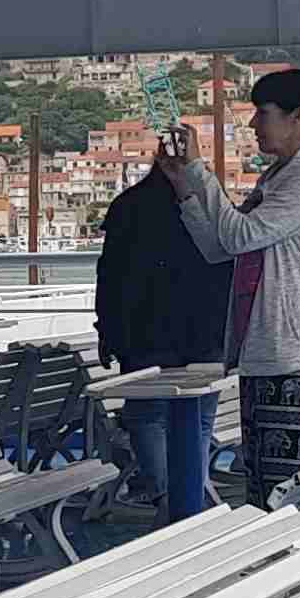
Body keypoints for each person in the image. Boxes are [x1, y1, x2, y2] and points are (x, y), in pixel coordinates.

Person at [162, 68, 300, 505]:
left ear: (297, 117)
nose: (252, 124)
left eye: (262, 113)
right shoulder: (278, 176)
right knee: (264, 493)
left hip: (299, 358)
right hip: (267, 354)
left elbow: (239, 236)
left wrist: (199, 169)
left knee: (296, 501)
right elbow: (219, 248)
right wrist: (185, 191)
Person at [91, 124, 237, 503]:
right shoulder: (212, 204)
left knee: (146, 415)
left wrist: (107, 330)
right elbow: (230, 262)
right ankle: (189, 496)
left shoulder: (128, 206)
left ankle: (166, 495)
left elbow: (110, 276)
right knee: (200, 417)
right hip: (208, 328)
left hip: (144, 331)